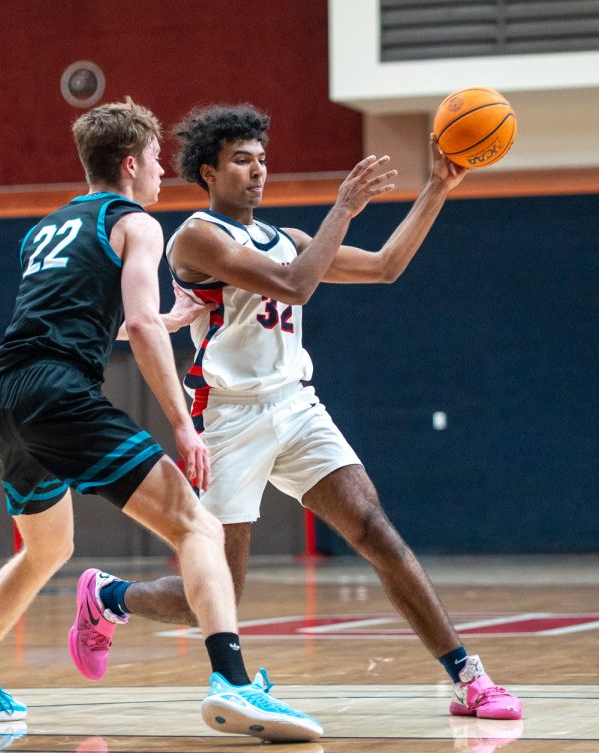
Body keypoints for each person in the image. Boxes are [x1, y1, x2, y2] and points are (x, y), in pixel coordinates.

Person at [68, 103, 522, 721]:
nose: (256, 172)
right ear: (208, 171)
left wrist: (437, 187)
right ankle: (110, 597)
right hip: (230, 419)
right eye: (240, 161)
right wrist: (343, 206)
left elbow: (386, 267)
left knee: (377, 532)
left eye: (261, 160)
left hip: (298, 406)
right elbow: (297, 286)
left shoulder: (292, 241)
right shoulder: (196, 237)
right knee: (216, 589)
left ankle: (469, 678)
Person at [0, 98, 341, 743]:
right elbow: (141, 323)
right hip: (60, 392)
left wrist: (154, 321)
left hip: (5, 392)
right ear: (129, 164)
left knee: (47, 549)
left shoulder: (47, 227)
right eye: (152, 162)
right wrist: (182, 421)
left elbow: (72, 316)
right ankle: (232, 682)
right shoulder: (136, 222)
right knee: (198, 527)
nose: (159, 175)